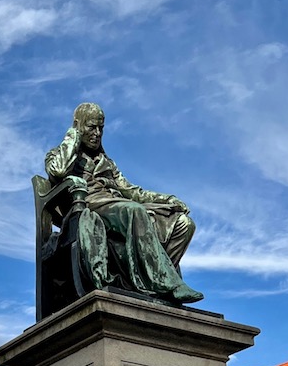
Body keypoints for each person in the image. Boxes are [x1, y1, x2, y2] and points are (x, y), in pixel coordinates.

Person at [44, 103, 202, 306]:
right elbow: (57, 171)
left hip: (121, 206)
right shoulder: (59, 154)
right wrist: (72, 137)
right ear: (78, 125)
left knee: (183, 223)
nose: (98, 133)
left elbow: (133, 192)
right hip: (91, 207)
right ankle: (167, 283)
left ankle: (153, 285)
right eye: (92, 127)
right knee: (134, 211)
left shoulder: (107, 163)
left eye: (101, 128)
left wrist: (166, 199)